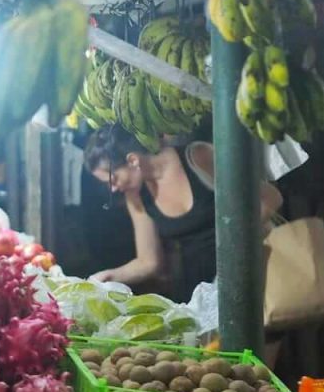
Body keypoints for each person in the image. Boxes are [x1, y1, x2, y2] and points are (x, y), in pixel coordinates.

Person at [84, 125, 283, 303]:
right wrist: (107, 277)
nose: (113, 189)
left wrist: (236, 242)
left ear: (133, 160)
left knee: (254, 344)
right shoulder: (136, 197)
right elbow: (149, 262)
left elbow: (270, 198)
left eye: (113, 178)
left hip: (250, 274)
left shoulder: (198, 157)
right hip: (200, 292)